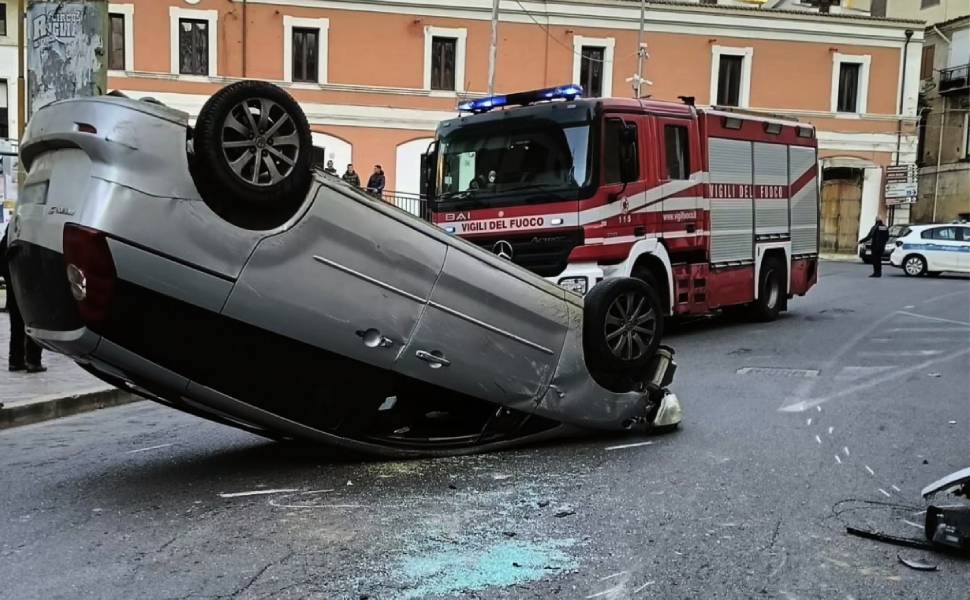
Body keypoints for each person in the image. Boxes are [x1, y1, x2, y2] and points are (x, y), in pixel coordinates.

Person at [0, 227, 45, 373]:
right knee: (35, 323)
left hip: (15, 285)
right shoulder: (37, 230)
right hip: (33, 285)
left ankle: (16, 360)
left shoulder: (12, 230)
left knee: (17, 324)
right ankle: (33, 361)